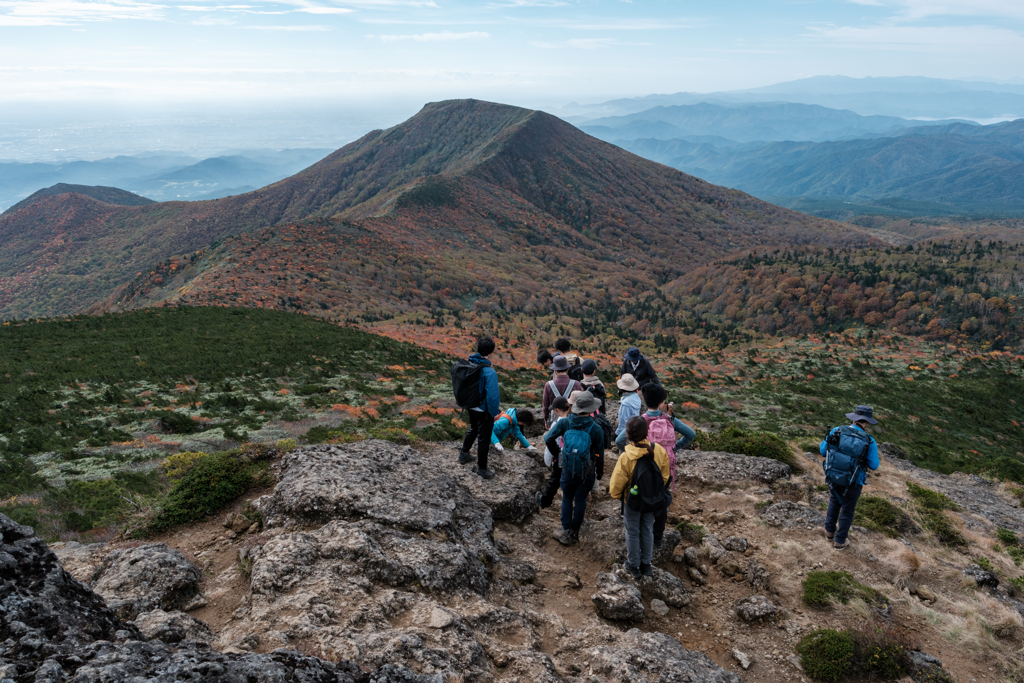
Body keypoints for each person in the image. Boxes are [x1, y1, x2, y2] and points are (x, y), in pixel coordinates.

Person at [609, 416, 671, 578]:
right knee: (647, 529)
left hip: (633, 501)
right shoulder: (658, 450)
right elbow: (665, 477)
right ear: (647, 431)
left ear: (627, 435)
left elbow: (616, 485)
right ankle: (647, 564)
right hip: (652, 500)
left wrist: (618, 496)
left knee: (632, 531)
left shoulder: (626, 456)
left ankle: (634, 565)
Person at [543, 392, 605, 545]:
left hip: (567, 468)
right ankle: (575, 531)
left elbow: (547, 438)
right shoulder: (596, 428)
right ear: (591, 409)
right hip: (587, 470)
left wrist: (558, 453)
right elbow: (600, 453)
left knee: (567, 497)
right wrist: (600, 471)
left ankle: (564, 532)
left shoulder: (565, 423)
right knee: (581, 499)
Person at [819, 405, 881, 550]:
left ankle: (829, 532)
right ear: (866, 422)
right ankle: (840, 540)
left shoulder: (836, 430)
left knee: (834, 500)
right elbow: (874, 465)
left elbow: (823, 451)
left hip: (833, 475)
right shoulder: (869, 440)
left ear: (854, 418)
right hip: (854, 480)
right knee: (847, 509)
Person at [457, 336, 501, 479]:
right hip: (483, 410)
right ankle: (482, 469)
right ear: (491, 351)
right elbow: (493, 396)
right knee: (484, 438)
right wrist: (494, 413)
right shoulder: (489, 372)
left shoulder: (469, 365)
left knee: (473, 428)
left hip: (471, 405)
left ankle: (464, 453)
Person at [537, 397, 570, 510]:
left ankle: (545, 501)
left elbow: (550, 441)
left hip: (560, 456)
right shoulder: (573, 420)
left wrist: (550, 459)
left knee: (554, 481)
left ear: (557, 410)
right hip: (574, 456)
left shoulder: (558, 423)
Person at [542, 355, 583, 428]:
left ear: (555, 370)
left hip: (555, 420)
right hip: (573, 420)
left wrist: (546, 421)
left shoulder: (548, 385)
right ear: (567, 368)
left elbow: (545, 406)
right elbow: (581, 403)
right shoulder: (576, 384)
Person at [614, 374, 642, 449]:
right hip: (635, 429)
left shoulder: (625, 403)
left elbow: (623, 422)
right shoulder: (636, 397)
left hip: (626, 430)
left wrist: (617, 434)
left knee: (623, 453)